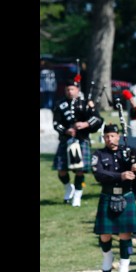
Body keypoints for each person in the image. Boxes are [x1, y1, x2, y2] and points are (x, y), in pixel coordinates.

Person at [91, 124, 136, 272]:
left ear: (118, 136)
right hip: (107, 195)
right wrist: (120, 176)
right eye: (107, 136)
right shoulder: (99, 154)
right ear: (104, 138)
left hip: (126, 195)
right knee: (104, 234)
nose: (110, 139)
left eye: (112, 136)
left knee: (125, 234)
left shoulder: (129, 151)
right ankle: (107, 256)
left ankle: (124, 267)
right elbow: (99, 175)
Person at [52, 77, 104, 207]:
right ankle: (68, 187)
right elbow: (56, 123)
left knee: (79, 170)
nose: (70, 92)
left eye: (72, 89)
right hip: (65, 140)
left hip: (82, 140)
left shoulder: (86, 103)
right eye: (67, 89)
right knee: (61, 170)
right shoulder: (60, 105)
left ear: (77, 90)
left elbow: (98, 119)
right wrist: (66, 130)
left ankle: (77, 196)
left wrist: (86, 124)